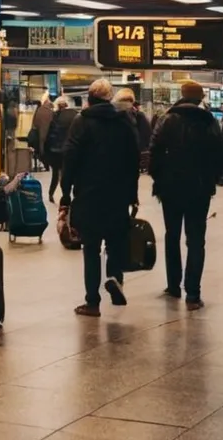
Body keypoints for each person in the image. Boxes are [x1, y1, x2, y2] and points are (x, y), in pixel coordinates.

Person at [59, 79, 140, 317]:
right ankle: (115, 278)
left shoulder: (82, 122)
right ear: (110, 98)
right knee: (115, 243)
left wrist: (65, 191)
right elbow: (133, 160)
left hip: (89, 194)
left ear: (90, 99)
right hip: (118, 194)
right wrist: (132, 194)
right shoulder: (124, 122)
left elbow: (70, 157)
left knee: (91, 248)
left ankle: (92, 302)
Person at [148, 81, 223, 310]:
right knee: (195, 240)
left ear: (181, 96)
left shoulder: (167, 119)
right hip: (199, 189)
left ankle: (173, 286)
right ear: (200, 97)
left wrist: (159, 179)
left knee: (172, 235)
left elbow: (153, 152)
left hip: (170, 188)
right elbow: (220, 155)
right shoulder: (208, 121)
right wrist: (211, 180)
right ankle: (193, 294)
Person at [44, 96, 78, 203]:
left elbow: (50, 135)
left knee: (55, 174)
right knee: (67, 174)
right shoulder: (75, 115)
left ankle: (51, 194)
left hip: (56, 150)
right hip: (69, 149)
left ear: (58, 106)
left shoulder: (55, 117)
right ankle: (66, 195)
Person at [114, 88, 152, 169]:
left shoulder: (112, 115)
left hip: (115, 157)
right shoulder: (139, 116)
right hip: (133, 157)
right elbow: (147, 136)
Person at [30, 93, 53, 168]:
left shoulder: (39, 110)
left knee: (40, 148)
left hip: (39, 134)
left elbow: (34, 122)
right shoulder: (51, 112)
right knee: (46, 149)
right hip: (48, 135)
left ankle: (43, 160)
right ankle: (46, 163)